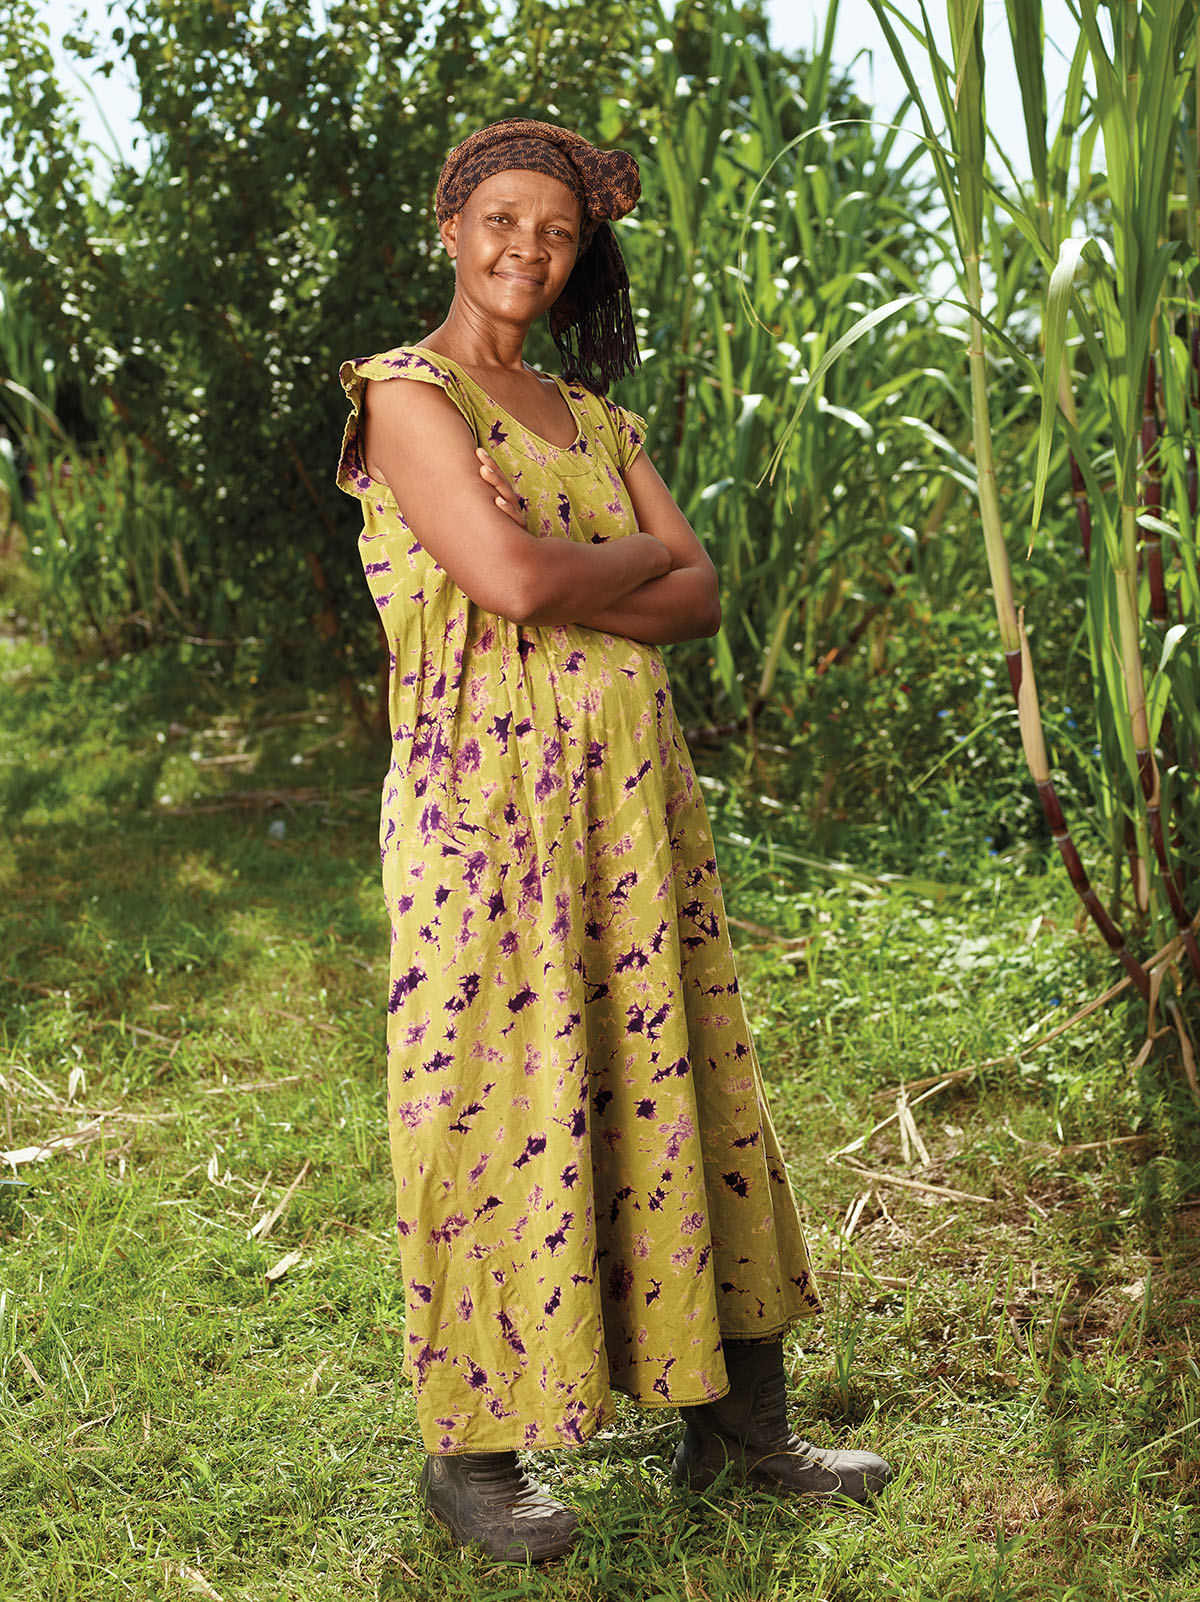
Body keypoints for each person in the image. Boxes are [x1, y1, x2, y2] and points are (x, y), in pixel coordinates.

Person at [335, 118, 892, 1564]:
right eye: (503, 219)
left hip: (635, 811)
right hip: (482, 820)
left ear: (580, 258)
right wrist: (631, 558)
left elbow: (703, 599)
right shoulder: (409, 395)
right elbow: (510, 578)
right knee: (492, 1100)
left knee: (684, 1077)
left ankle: (739, 1424)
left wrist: (623, 568)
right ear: (450, 228)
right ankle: (475, 1457)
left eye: (558, 231)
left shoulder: (601, 419)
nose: (528, 247)